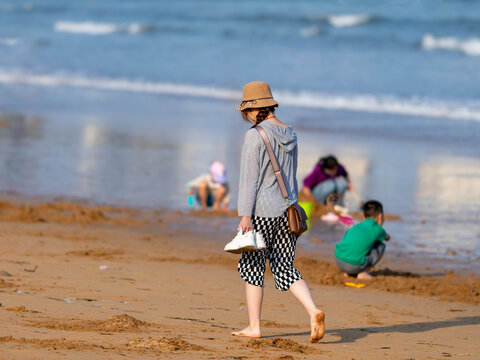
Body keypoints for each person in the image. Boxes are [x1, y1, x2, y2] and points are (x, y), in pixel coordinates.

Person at [233, 81, 325, 342]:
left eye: (246, 112)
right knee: (284, 266)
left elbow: (249, 179)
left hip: (262, 211)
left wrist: (245, 215)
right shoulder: (291, 132)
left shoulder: (255, 135)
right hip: (288, 210)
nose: (246, 117)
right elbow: (290, 174)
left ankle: (254, 327)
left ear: (254, 110)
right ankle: (313, 309)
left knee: (253, 267)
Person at [334, 200, 390, 280]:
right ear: (380, 216)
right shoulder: (378, 229)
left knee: (357, 247)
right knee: (381, 246)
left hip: (339, 260)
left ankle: (348, 273)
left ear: (363, 216)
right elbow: (387, 238)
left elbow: (346, 239)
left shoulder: (355, 226)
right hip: (354, 265)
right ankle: (363, 272)